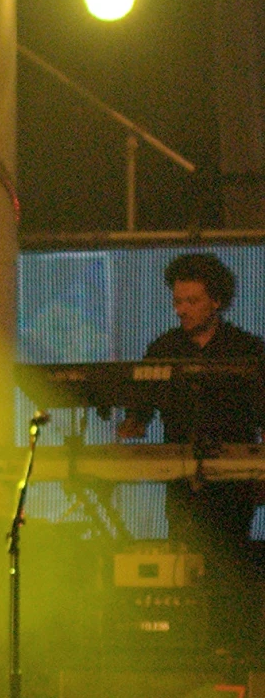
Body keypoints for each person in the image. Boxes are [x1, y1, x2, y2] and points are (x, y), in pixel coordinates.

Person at [117, 251, 265, 599]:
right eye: (177, 301)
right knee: (183, 565)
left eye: (192, 301)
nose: (182, 309)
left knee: (230, 566)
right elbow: (139, 410)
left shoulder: (247, 349)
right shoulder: (163, 348)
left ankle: (227, 642)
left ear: (217, 301)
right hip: (182, 482)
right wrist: (131, 423)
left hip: (234, 482)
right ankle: (191, 634)